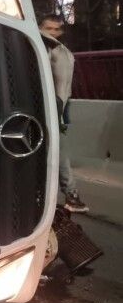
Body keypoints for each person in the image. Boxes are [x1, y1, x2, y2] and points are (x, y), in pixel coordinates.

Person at [39, 14, 89, 213]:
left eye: (55, 29)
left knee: (58, 152)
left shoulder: (63, 51)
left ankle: (64, 195)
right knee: (58, 153)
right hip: (49, 108)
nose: (51, 32)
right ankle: (70, 194)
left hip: (61, 107)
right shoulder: (45, 48)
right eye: (47, 28)